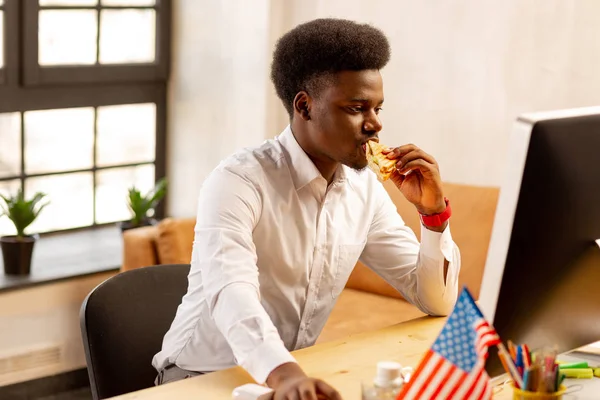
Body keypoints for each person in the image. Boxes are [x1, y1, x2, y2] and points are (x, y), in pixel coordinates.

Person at [153, 18, 460, 400]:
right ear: (305, 106)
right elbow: (232, 292)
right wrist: (285, 376)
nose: (375, 124)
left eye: (378, 108)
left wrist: (433, 215)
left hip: (290, 380)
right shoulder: (238, 180)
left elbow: (436, 299)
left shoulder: (364, 188)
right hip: (200, 378)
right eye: (356, 108)